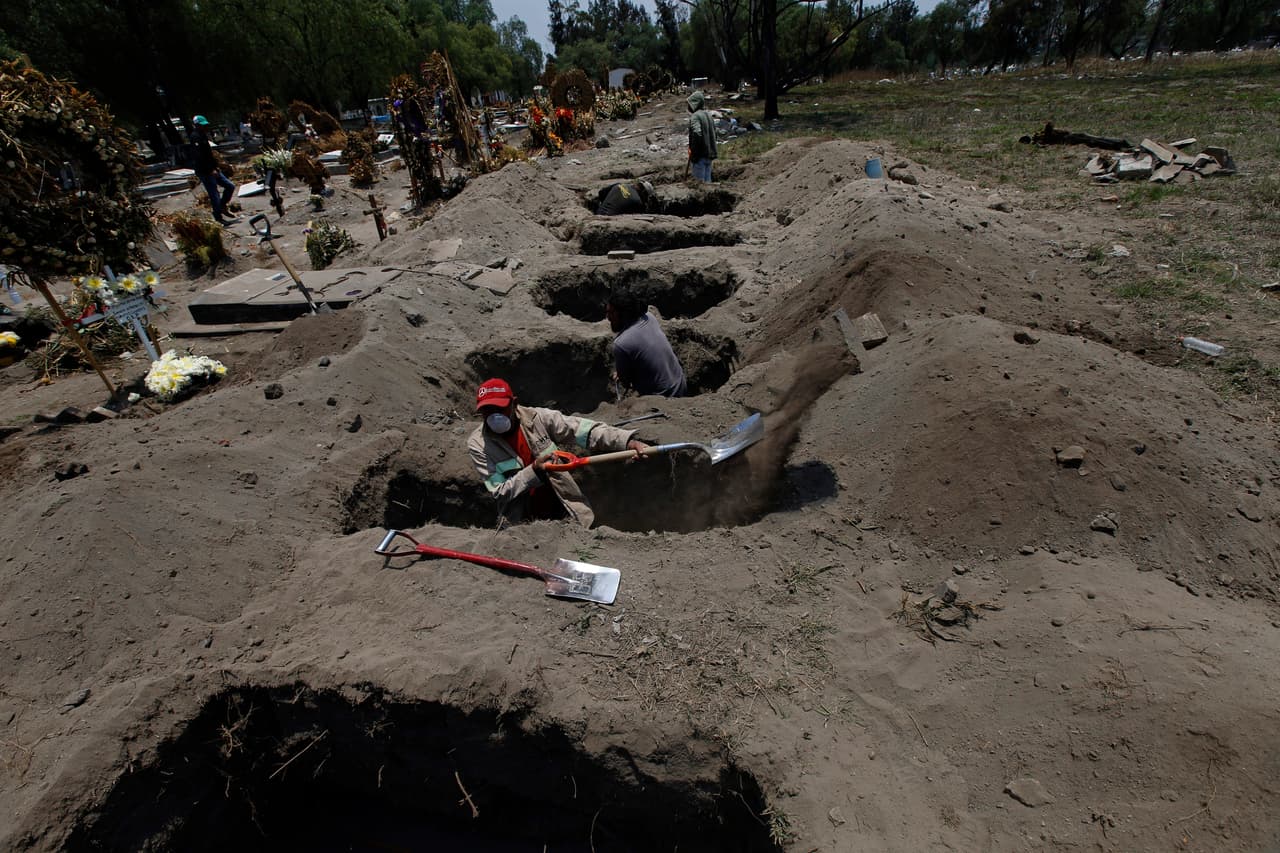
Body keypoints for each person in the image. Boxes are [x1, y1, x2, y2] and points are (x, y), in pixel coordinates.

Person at [468, 378, 649, 528]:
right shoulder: (478, 444)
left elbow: (584, 431)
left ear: (514, 403)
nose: (494, 416)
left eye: (499, 409)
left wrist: (625, 441)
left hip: (563, 507)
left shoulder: (538, 419)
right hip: (519, 525)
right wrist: (534, 470)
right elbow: (500, 492)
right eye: (487, 411)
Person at [607, 290, 687, 398]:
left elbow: (626, 381)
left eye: (611, 313)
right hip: (680, 384)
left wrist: (621, 374)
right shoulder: (649, 317)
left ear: (623, 315)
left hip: (663, 398)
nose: (608, 317)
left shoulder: (621, 344)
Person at [190, 115, 237, 225]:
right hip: (205, 171)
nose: (205, 127)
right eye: (203, 125)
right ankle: (218, 217)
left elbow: (208, 155)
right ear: (197, 125)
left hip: (213, 168)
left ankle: (222, 206)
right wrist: (211, 169)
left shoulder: (203, 135)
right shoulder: (195, 137)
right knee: (214, 194)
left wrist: (216, 166)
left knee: (230, 186)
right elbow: (199, 156)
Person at [687, 90, 717, 183]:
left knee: (700, 187)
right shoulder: (708, 115)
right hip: (709, 155)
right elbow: (714, 133)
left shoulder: (695, 116)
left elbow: (697, 133)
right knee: (708, 186)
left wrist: (694, 153)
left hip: (700, 157)